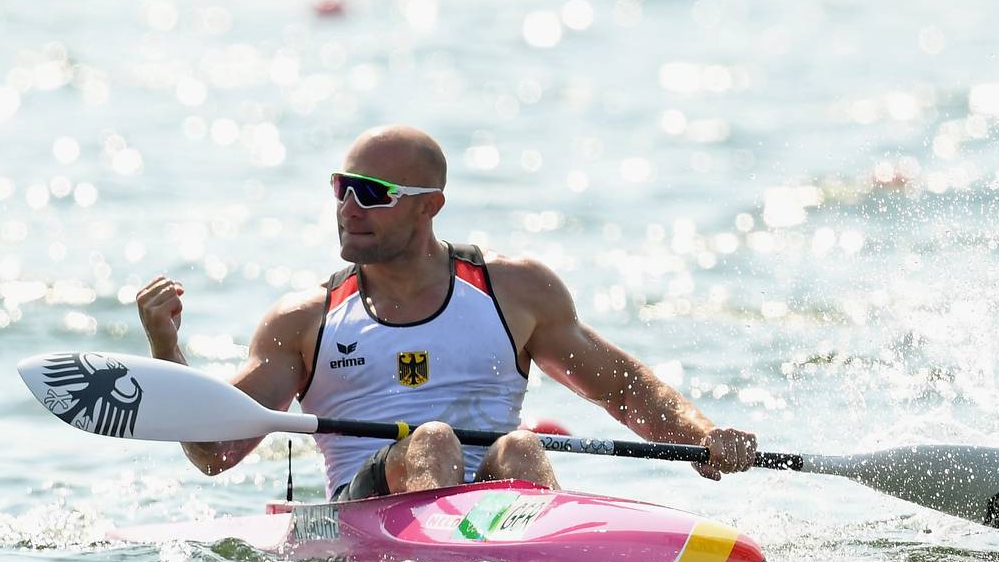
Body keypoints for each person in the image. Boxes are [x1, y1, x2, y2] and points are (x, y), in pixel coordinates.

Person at [137, 125, 758, 501]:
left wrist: (703, 439)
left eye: (373, 194)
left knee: (520, 445)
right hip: (364, 518)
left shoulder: (515, 292)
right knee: (431, 438)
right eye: (340, 187)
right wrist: (168, 351)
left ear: (428, 206)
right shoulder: (305, 320)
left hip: (494, 499)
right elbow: (214, 453)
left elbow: (628, 393)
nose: (349, 206)